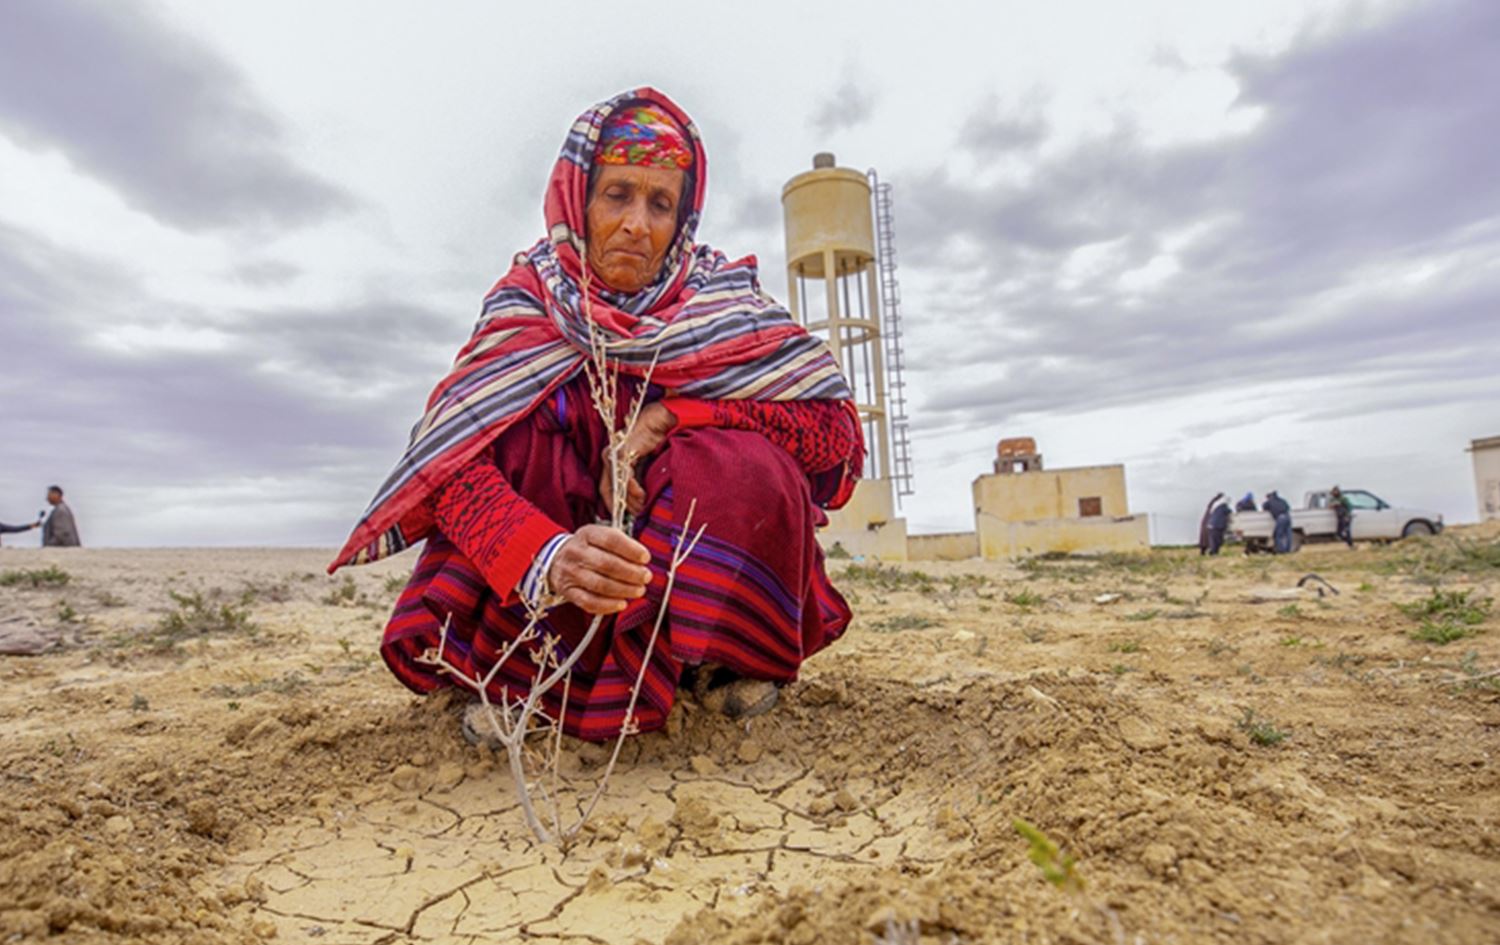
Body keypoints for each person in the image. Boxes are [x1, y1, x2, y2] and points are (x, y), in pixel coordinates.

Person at [331, 90, 863, 743]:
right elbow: (450, 470)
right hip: (553, 593)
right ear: (577, 198)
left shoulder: (723, 305)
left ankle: (720, 655)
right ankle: (523, 677)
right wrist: (544, 555)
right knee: (518, 434)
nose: (638, 223)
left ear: (683, 217)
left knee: (737, 453)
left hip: (676, 571)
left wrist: (677, 415)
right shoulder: (526, 307)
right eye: (618, 195)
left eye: (660, 202)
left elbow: (831, 435)